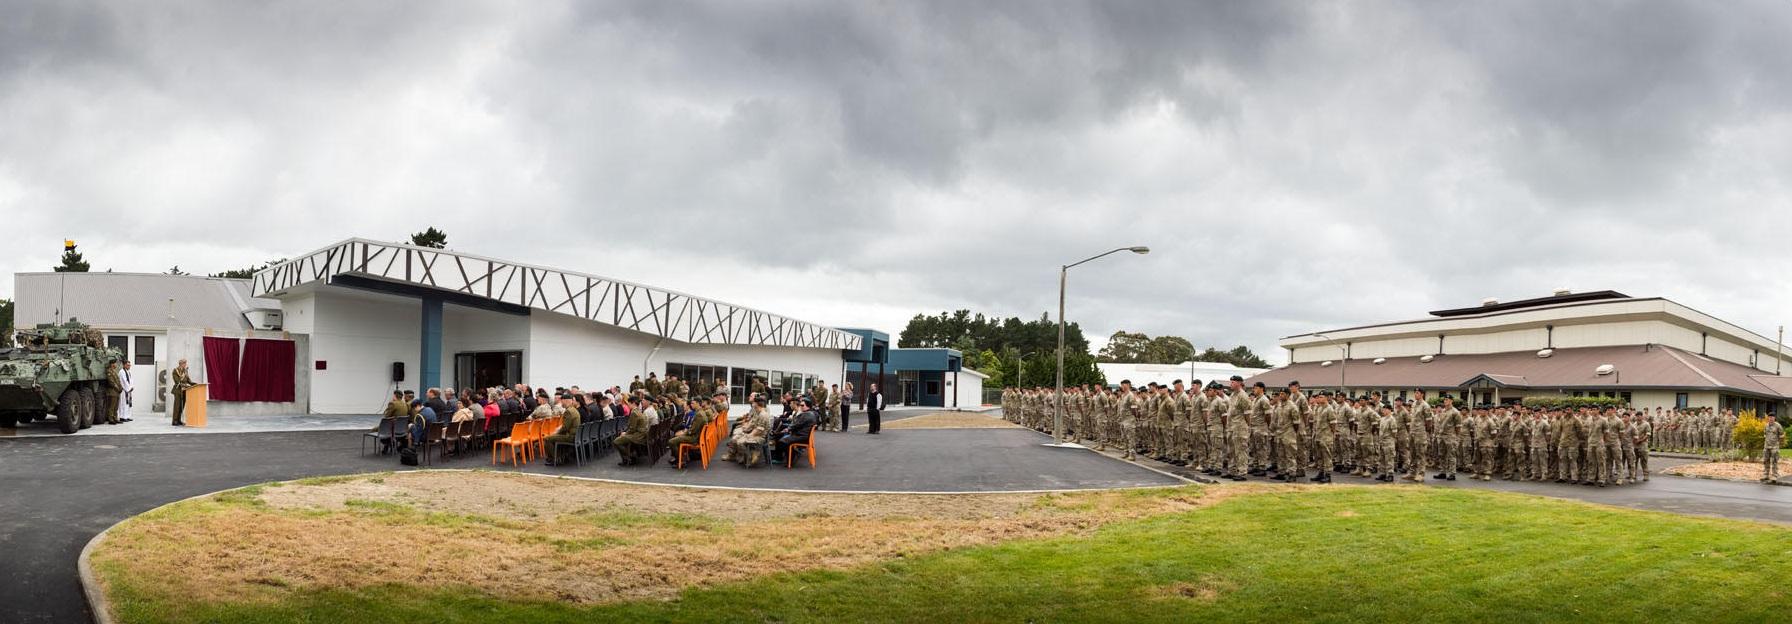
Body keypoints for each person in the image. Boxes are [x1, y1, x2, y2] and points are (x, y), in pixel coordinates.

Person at [725, 396, 773, 467]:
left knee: (740, 441)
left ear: (757, 404)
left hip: (760, 437)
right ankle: (745, 456)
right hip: (755, 434)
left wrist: (748, 435)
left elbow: (759, 430)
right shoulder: (758, 412)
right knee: (737, 439)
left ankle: (751, 455)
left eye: (754, 402)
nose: (752, 404)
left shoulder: (763, 415)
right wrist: (746, 430)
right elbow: (753, 424)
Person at [773, 397, 820, 465]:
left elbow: (796, 424)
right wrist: (788, 429)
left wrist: (788, 429)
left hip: (801, 436)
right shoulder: (809, 413)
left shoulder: (806, 415)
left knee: (782, 441)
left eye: (802, 405)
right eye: (800, 405)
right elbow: (796, 424)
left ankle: (791, 457)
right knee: (780, 436)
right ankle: (786, 456)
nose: (801, 406)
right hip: (803, 435)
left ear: (808, 406)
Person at [544, 396, 583, 465]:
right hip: (576, 435)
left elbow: (565, 428)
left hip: (570, 436)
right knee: (553, 437)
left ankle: (554, 459)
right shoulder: (574, 409)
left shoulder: (568, 411)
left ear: (565, 401)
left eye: (561, 401)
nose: (561, 403)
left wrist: (556, 433)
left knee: (547, 439)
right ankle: (559, 457)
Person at [615, 397, 651, 466]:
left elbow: (632, 429)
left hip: (638, 436)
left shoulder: (634, 413)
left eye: (629, 403)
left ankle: (629, 457)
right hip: (641, 434)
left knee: (616, 441)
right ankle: (630, 456)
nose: (628, 405)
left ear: (633, 403)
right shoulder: (638, 411)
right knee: (621, 439)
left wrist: (625, 433)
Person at [170, 358, 194, 426]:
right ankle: (174, 421)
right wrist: (185, 385)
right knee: (177, 406)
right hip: (178, 390)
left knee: (182, 406)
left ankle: (179, 420)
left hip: (184, 391)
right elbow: (177, 381)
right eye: (184, 363)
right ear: (181, 364)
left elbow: (188, 380)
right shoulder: (175, 371)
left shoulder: (185, 371)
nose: (185, 365)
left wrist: (194, 384)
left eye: (185, 363)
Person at [1764, 415, 1784, 483]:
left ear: (1774, 418)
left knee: (1774, 461)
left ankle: (1774, 476)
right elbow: (1765, 434)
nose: (1771, 418)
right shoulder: (1766, 425)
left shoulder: (1778, 426)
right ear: (1768, 418)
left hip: (1774, 447)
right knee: (1766, 461)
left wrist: (1779, 443)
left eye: (1772, 417)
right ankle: (1766, 475)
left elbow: (1782, 435)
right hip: (1766, 446)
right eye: (1769, 417)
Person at [103, 361, 123, 425]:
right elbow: (111, 382)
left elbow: (118, 381)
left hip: (117, 391)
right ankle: (110, 419)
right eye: (115, 363)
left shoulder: (115, 371)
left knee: (116, 406)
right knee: (112, 406)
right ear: (112, 364)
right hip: (112, 391)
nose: (116, 364)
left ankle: (115, 418)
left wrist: (121, 387)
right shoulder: (109, 371)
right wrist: (117, 388)